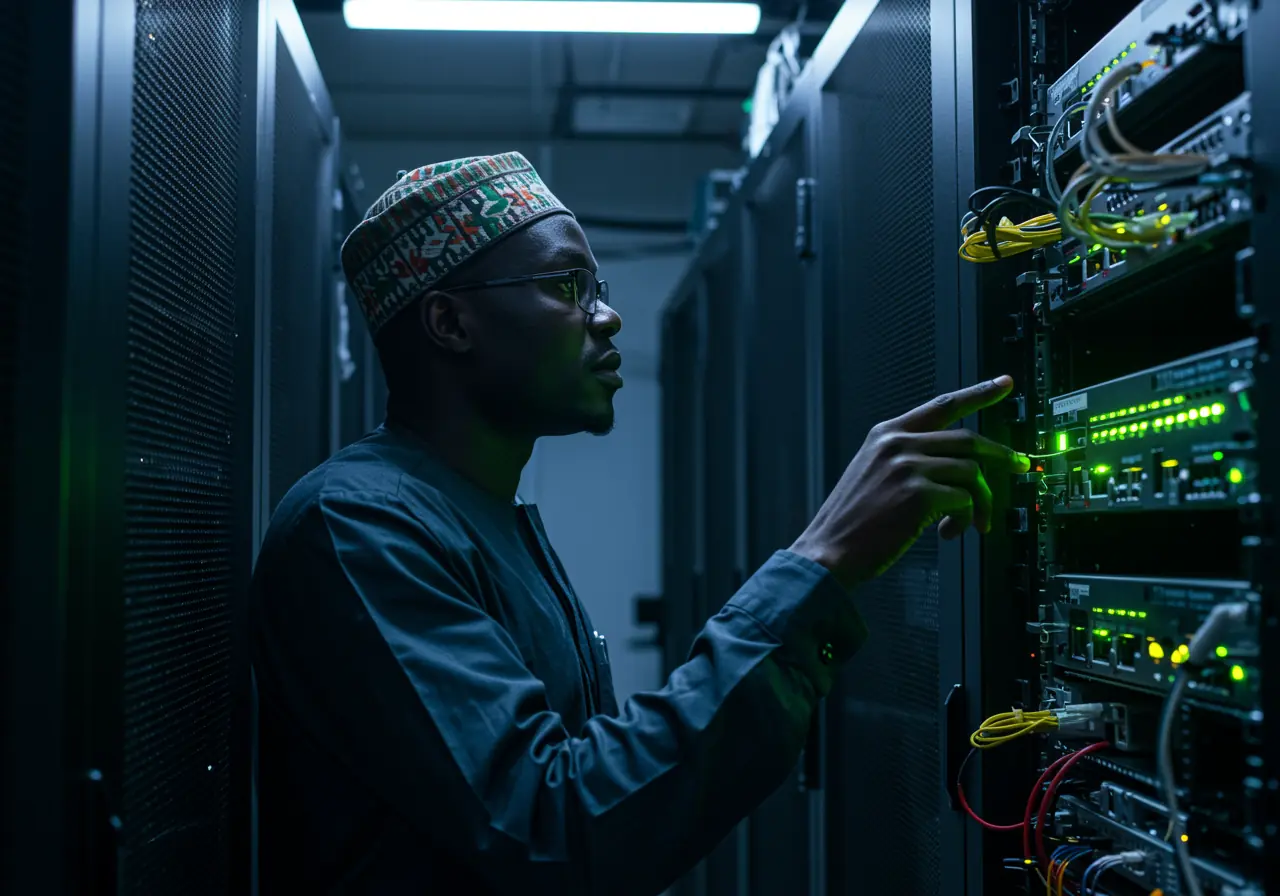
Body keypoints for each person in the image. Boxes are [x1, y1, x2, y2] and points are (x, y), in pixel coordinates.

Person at [249, 151, 1030, 894]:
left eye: (599, 287)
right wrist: (820, 564)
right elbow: (559, 830)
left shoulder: (477, 516)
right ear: (450, 322)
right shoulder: (357, 525)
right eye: (569, 285)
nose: (610, 317)